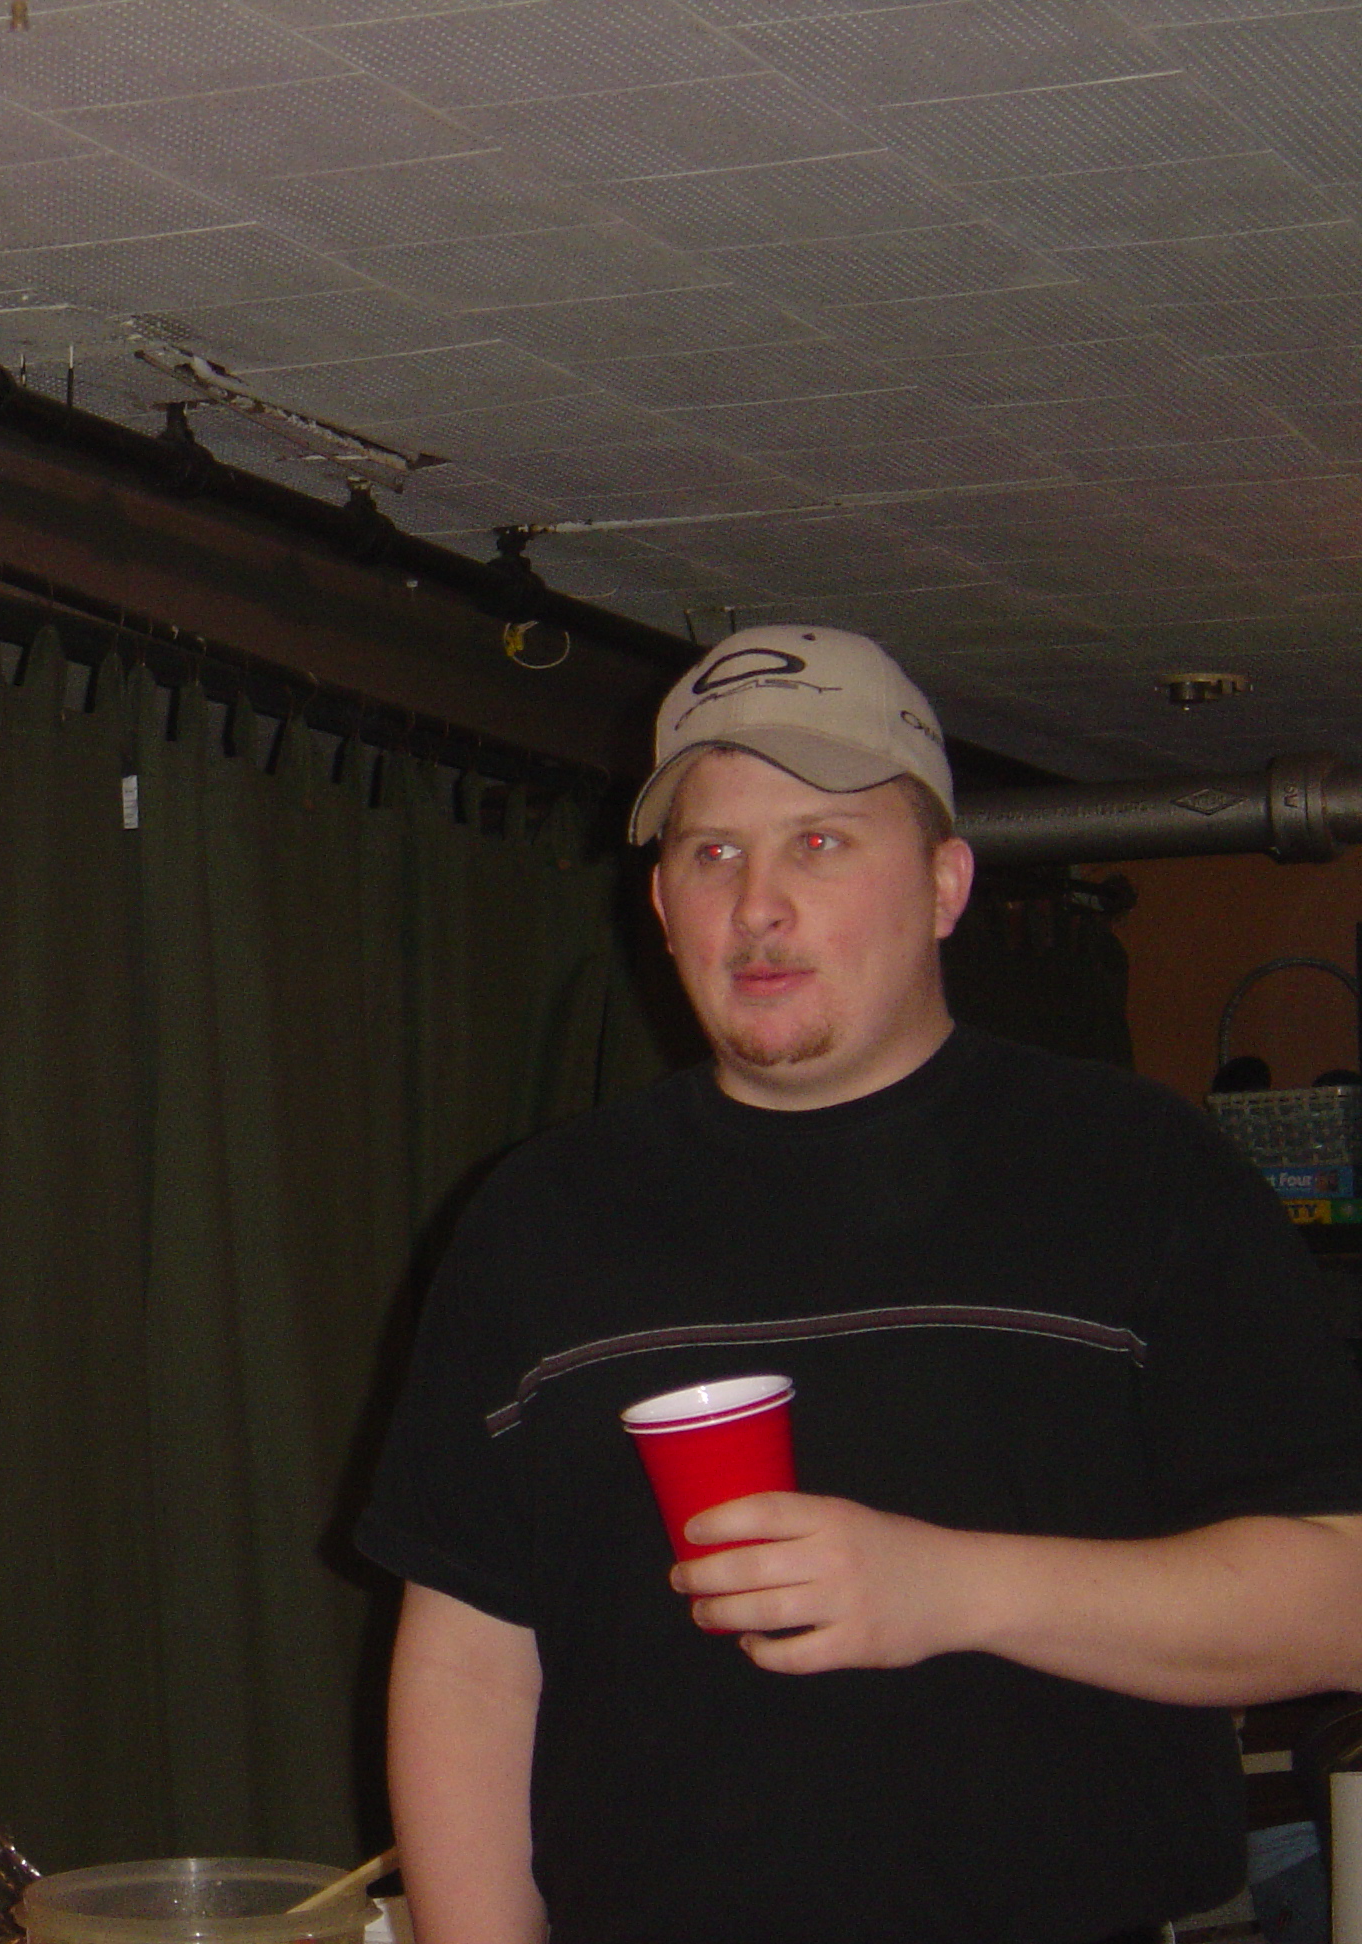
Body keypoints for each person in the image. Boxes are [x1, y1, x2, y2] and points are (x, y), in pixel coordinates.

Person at [358, 625, 1362, 1944]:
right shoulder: (539, 1218)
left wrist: (948, 1589)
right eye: (713, 854)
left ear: (946, 884)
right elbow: (470, 1665)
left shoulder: (1136, 1169)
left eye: (821, 842)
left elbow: (1339, 1603)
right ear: (658, 905)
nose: (757, 907)